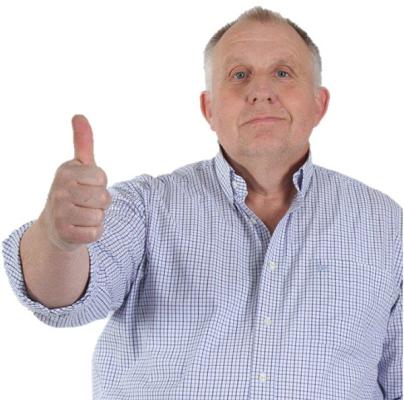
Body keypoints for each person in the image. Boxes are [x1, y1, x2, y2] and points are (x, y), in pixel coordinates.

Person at [2, 6, 402, 399]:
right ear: (209, 108)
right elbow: (60, 299)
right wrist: (58, 240)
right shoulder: (146, 207)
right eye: (239, 75)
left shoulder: (386, 225)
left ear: (319, 104)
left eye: (283, 73)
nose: (261, 92)